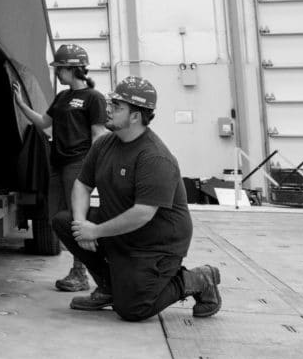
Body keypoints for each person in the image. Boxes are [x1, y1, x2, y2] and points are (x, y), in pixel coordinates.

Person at [51, 76, 222, 322]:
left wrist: (96, 231)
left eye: (117, 107)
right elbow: (81, 184)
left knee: (133, 309)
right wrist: (81, 225)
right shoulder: (105, 144)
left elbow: (143, 212)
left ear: (135, 116)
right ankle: (108, 287)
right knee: (64, 221)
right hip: (121, 230)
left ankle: (198, 279)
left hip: (155, 243)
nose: (108, 110)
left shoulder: (154, 157)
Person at [13, 44, 108, 292]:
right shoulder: (62, 98)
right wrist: (21, 105)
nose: (57, 73)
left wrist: (92, 168)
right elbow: (45, 123)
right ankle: (82, 268)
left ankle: (81, 272)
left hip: (78, 164)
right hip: (58, 164)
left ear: (72, 68)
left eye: (60, 68)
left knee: (77, 217)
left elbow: (98, 135)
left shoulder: (94, 98)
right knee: (57, 217)